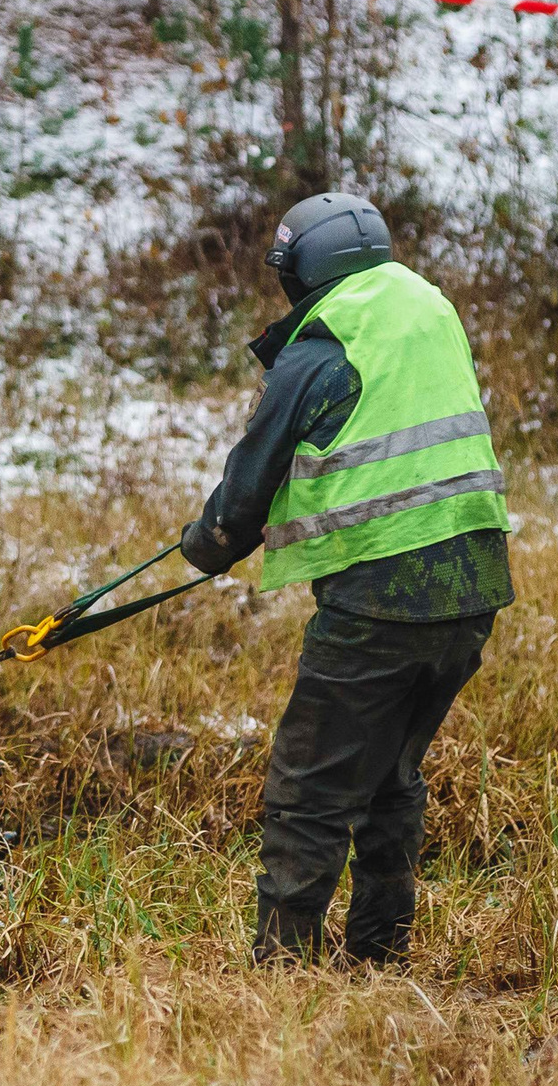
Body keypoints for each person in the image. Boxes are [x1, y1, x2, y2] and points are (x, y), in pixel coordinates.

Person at [179, 192, 512, 966]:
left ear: (301, 271)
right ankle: (379, 954)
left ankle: (281, 972)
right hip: (474, 587)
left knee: (311, 787)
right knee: (391, 774)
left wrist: (204, 548)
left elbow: (246, 487)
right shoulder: (430, 314)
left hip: (380, 601)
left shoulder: (323, 344)